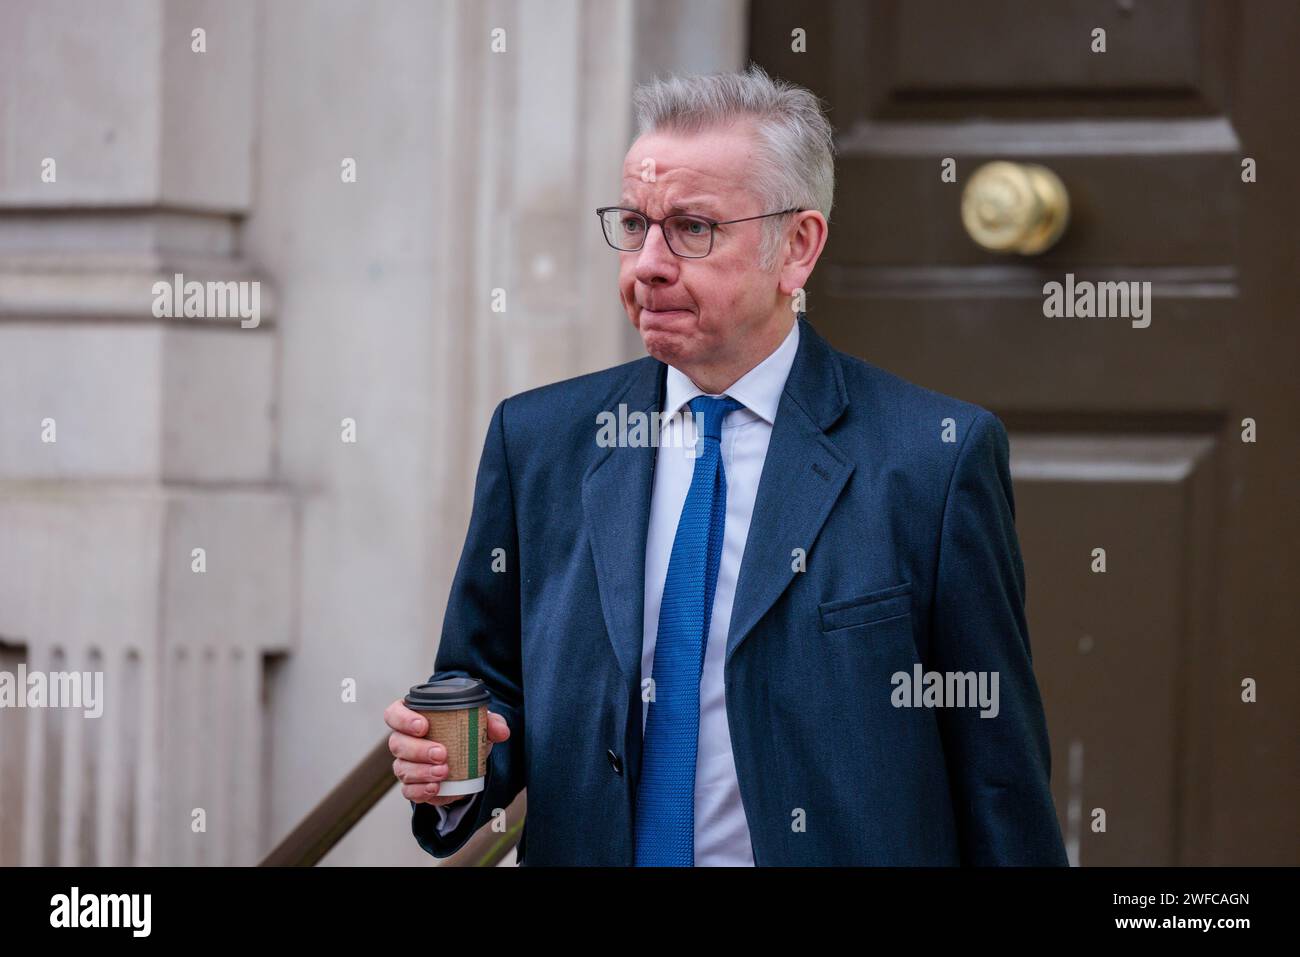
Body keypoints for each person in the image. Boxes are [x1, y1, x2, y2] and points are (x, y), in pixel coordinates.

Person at [384, 65, 1067, 866]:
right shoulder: (538, 440)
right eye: (634, 225)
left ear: (797, 247)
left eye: (694, 228)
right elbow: (486, 688)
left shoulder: (932, 459)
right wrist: (452, 770)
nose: (649, 264)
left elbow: (999, 775)